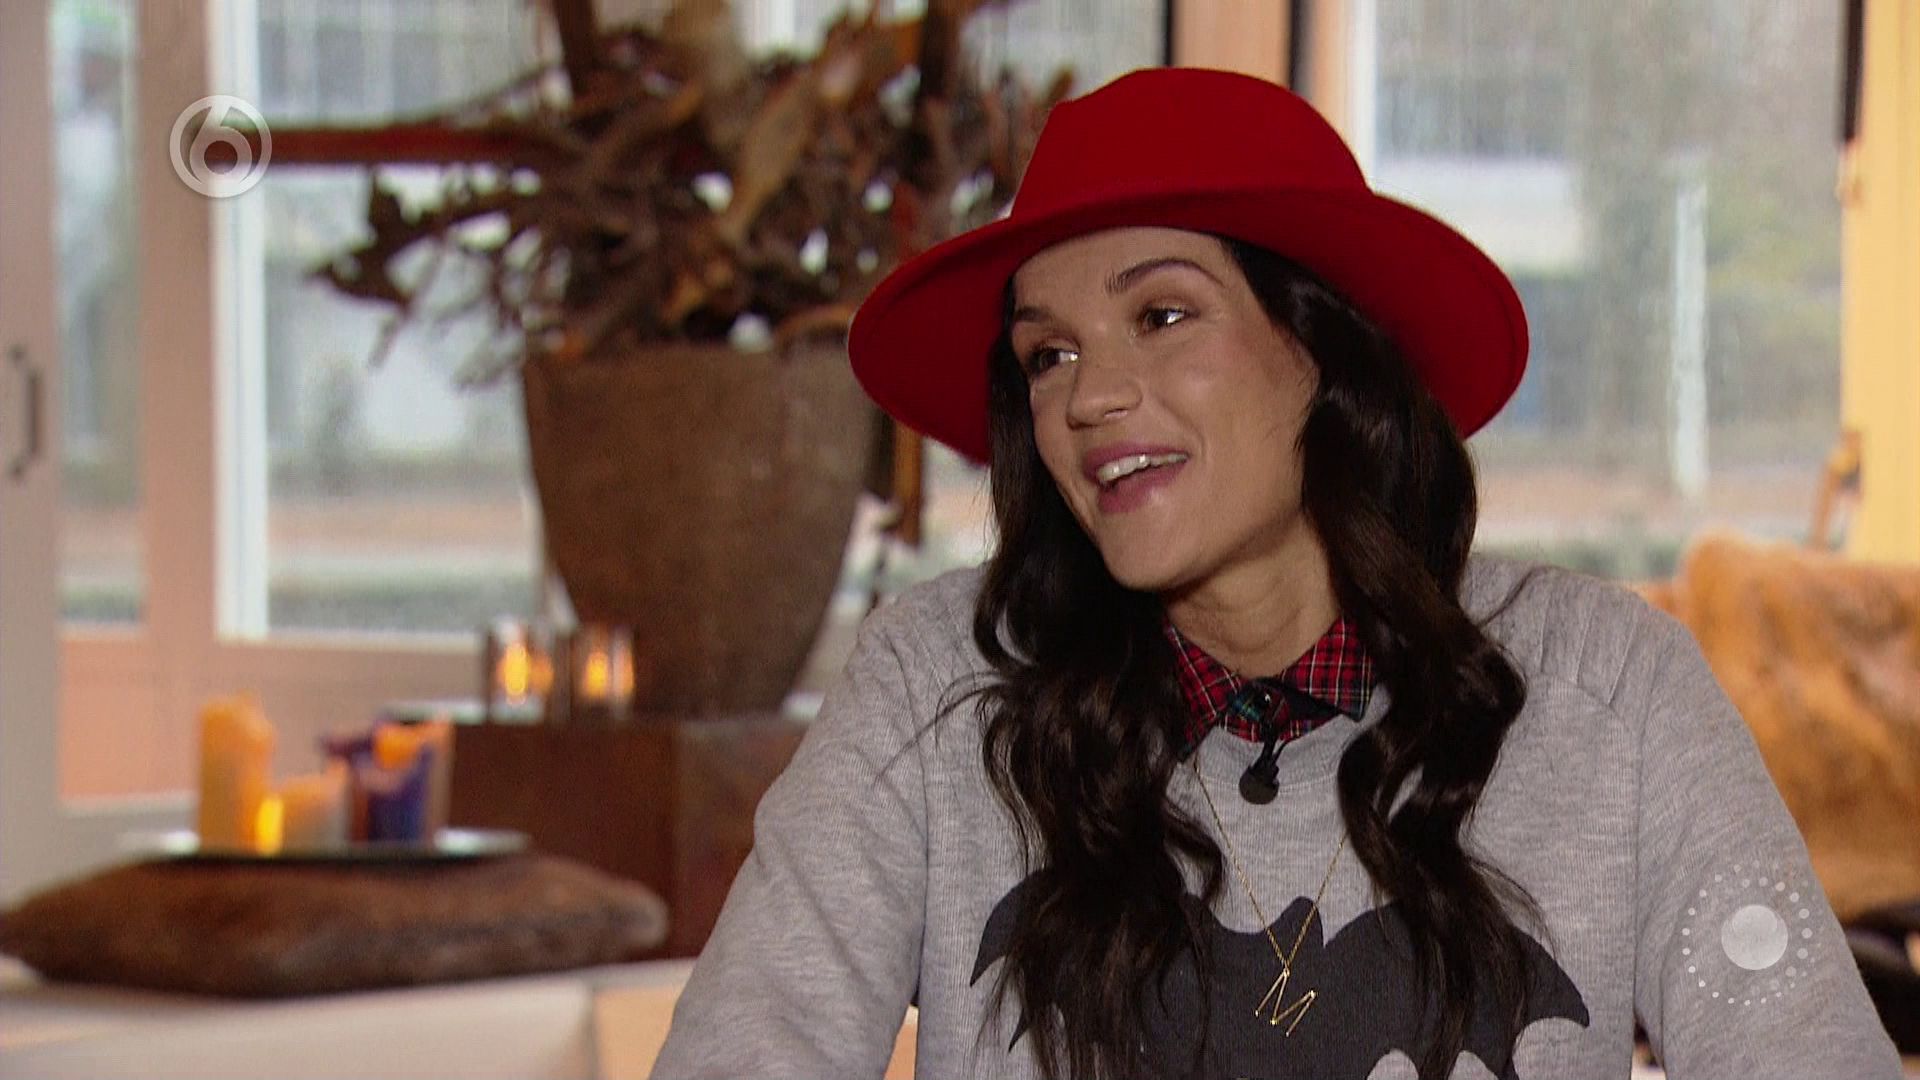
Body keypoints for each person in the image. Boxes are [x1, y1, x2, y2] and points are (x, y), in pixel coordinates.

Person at [650, 68, 1901, 1079]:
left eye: (1162, 315)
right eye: (1047, 354)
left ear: (1322, 350)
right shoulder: (932, 695)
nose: (1091, 396)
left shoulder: (1611, 696)